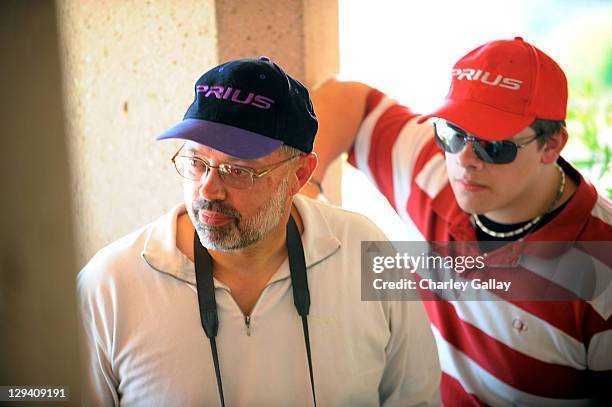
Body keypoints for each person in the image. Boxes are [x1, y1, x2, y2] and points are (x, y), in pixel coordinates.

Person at [77, 57, 441, 406]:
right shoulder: (109, 285)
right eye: (195, 162)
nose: (207, 190)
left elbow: (416, 399)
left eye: (238, 171)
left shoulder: (365, 252)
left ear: (299, 175)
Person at [305, 37, 612, 405]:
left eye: (494, 146)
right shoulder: (432, 168)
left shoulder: (601, 268)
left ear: (551, 145)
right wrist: (301, 195)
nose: (465, 159)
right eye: (453, 132)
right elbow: (347, 100)